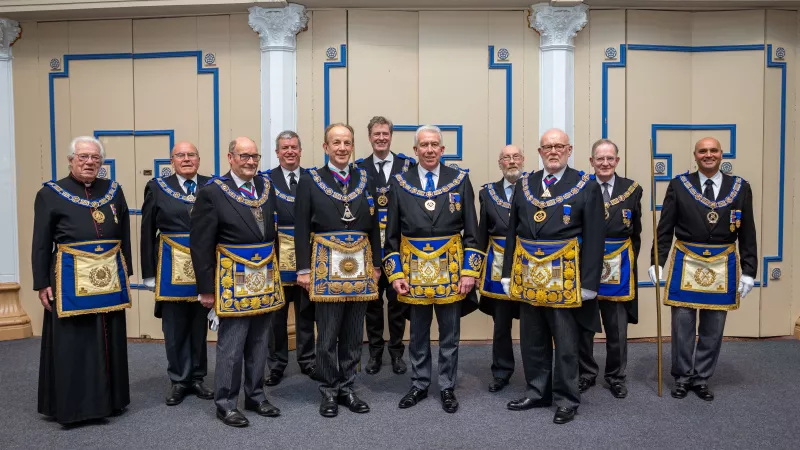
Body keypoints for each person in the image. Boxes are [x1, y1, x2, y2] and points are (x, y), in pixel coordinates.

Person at [500, 128, 605, 424]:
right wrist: (507, 273)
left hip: (567, 278)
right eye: (547, 147)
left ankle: (567, 398)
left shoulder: (585, 185)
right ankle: (537, 391)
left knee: (567, 341)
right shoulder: (525, 183)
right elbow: (512, 233)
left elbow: (596, 236)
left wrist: (589, 282)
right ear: (540, 151)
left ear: (569, 150)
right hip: (529, 275)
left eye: (559, 146)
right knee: (532, 338)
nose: (553, 151)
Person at [33, 136, 133, 425]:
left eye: (95, 158)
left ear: (101, 162)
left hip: (109, 278)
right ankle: (75, 406)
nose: (89, 162)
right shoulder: (50, 193)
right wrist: (42, 282)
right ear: (71, 160)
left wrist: (126, 271)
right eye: (83, 157)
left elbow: (123, 231)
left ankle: (111, 401)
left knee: (108, 335)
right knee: (74, 341)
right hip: (68, 280)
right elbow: (41, 242)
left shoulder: (113, 191)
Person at [383, 125, 483, 414]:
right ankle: (419, 383)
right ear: (415, 151)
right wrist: (396, 274)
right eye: (423, 145)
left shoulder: (459, 179)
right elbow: (391, 236)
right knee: (418, 335)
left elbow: (472, 232)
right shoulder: (400, 182)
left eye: (434, 144)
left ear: (442, 149)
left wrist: (469, 272)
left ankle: (448, 386)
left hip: (451, 271)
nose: (429, 149)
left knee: (450, 334)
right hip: (413, 272)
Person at [649, 137, 756, 401]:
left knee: (714, 325)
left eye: (713, 150)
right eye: (702, 151)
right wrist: (657, 261)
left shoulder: (740, 187)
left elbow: (748, 231)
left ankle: (702, 378)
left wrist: (750, 269)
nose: (708, 155)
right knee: (683, 324)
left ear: (722, 155)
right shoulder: (679, 186)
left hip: (723, 263)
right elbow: (665, 228)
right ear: (695, 156)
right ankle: (683, 378)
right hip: (687, 260)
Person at [191, 137, 284, 427]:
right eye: (244, 156)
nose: (250, 161)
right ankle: (226, 403)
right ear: (230, 158)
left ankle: (256, 395)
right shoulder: (212, 192)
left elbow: (273, 234)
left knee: (259, 340)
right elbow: (201, 243)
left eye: (254, 156)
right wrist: (206, 289)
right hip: (232, 278)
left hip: (265, 276)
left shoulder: (266, 188)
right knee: (232, 343)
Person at [295, 123, 381, 418]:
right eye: (336, 143)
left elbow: (374, 226)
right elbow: (301, 226)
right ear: (326, 147)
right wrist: (303, 269)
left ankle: (348, 387)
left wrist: (378, 265)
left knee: (354, 332)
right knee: (328, 333)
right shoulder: (310, 180)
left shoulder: (364, 178)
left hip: (361, 265)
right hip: (324, 265)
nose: (342, 148)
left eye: (347, 142)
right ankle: (329, 391)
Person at [141, 141, 213, 406]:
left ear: (199, 158)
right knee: (174, 326)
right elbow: (147, 230)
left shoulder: (212, 185)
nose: (186, 159)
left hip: (203, 268)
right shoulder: (157, 188)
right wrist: (149, 273)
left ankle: (197, 377)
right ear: (171, 161)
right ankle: (178, 380)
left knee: (199, 324)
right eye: (180, 155)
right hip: (169, 267)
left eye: (191, 154)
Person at [577, 139, 642, 399]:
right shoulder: (581, 187)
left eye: (610, 158)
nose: (604, 163)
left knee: (617, 327)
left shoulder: (632, 189)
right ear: (591, 161)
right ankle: (586, 373)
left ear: (617, 160)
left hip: (620, 267)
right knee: (584, 326)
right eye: (599, 158)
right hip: (585, 265)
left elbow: (636, 232)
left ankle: (616, 376)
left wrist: (630, 263)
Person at [356, 116, 414, 375]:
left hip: (399, 247)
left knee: (398, 301)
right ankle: (375, 353)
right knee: (372, 304)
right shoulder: (359, 168)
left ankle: (397, 353)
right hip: (368, 248)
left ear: (391, 136)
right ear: (369, 137)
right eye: (376, 134)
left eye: (385, 134)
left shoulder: (407, 165)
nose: (381, 138)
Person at [262, 131, 316, 387]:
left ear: (300, 150)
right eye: (285, 148)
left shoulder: (312, 178)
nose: (290, 151)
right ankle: (277, 365)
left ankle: (308, 361)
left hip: (307, 256)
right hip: (276, 257)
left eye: (294, 147)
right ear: (277, 152)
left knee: (306, 312)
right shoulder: (265, 180)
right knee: (277, 317)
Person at [477, 145, 524, 393]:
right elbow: (481, 232)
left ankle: (537, 372)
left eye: (516, 156)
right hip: (496, 266)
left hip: (529, 264)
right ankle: (502, 371)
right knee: (501, 323)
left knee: (532, 322)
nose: (512, 161)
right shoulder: (488, 193)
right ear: (500, 163)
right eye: (506, 157)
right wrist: (475, 271)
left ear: (523, 160)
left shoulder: (535, 189)